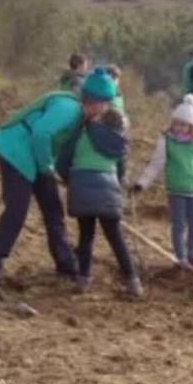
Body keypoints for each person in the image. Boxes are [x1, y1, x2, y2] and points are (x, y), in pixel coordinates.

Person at [0, 68, 117, 284]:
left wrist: (66, 178)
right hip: (17, 152)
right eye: (107, 103)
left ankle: (66, 264)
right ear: (97, 102)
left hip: (34, 157)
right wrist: (46, 168)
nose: (108, 108)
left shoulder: (79, 116)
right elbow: (41, 134)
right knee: (16, 211)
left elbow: (59, 149)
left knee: (53, 209)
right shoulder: (69, 108)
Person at [56, 104, 143, 298]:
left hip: (82, 188)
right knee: (116, 238)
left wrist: (69, 179)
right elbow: (121, 172)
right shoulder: (119, 143)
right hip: (108, 190)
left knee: (86, 237)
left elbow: (63, 162)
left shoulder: (81, 135)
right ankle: (132, 280)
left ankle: (84, 279)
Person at [132, 94, 193, 272]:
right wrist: (141, 183)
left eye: (184, 125)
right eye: (177, 123)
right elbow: (156, 164)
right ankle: (181, 258)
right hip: (176, 191)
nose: (180, 128)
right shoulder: (166, 142)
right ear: (172, 123)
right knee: (178, 225)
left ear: (191, 126)